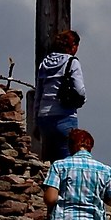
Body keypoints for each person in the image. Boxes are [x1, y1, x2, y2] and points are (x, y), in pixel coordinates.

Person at [31, 27, 85, 161]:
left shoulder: (45, 63)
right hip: (64, 115)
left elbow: (38, 94)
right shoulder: (72, 62)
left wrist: (36, 121)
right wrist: (80, 100)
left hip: (44, 117)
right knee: (67, 158)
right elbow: (80, 90)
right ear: (73, 46)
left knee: (49, 160)